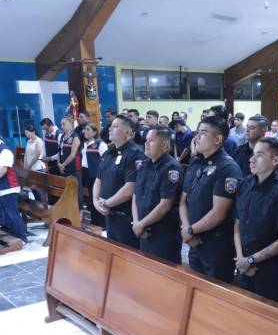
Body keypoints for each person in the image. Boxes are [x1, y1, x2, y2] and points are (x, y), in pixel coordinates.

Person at [180, 115, 242, 282]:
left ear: (217, 139)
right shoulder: (196, 163)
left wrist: (191, 230)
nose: (197, 137)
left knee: (216, 295)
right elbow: (183, 201)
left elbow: (218, 214)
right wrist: (187, 230)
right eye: (197, 132)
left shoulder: (227, 168)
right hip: (193, 241)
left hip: (215, 244)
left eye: (203, 133)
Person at [234, 137, 278, 302]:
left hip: (268, 269)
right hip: (243, 264)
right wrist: (241, 258)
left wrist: (251, 260)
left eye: (260, 155)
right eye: (253, 153)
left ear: (275, 160)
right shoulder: (246, 184)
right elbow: (237, 223)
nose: (252, 159)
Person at [132, 126, 184, 263]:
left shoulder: (171, 168)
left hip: (163, 234)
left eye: (152, 140)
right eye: (146, 140)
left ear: (165, 145)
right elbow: (135, 195)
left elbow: (165, 205)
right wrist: (137, 223)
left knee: (165, 277)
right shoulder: (144, 165)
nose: (146, 143)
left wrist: (140, 224)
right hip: (143, 231)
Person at [94, 114, 145, 248]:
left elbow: (129, 189)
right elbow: (98, 179)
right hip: (109, 214)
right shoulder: (109, 153)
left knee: (129, 258)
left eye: (115, 126)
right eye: (111, 126)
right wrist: (95, 202)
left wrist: (106, 204)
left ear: (128, 132)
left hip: (125, 217)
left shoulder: (135, 153)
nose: (110, 129)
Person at [81, 122, 108, 225]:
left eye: (88, 129)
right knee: (91, 197)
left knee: (98, 197)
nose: (85, 131)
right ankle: (94, 220)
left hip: (96, 174)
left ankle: (102, 222)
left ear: (94, 132)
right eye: (85, 129)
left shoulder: (100, 144)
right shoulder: (85, 143)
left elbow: (105, 160)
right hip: (87, 172)